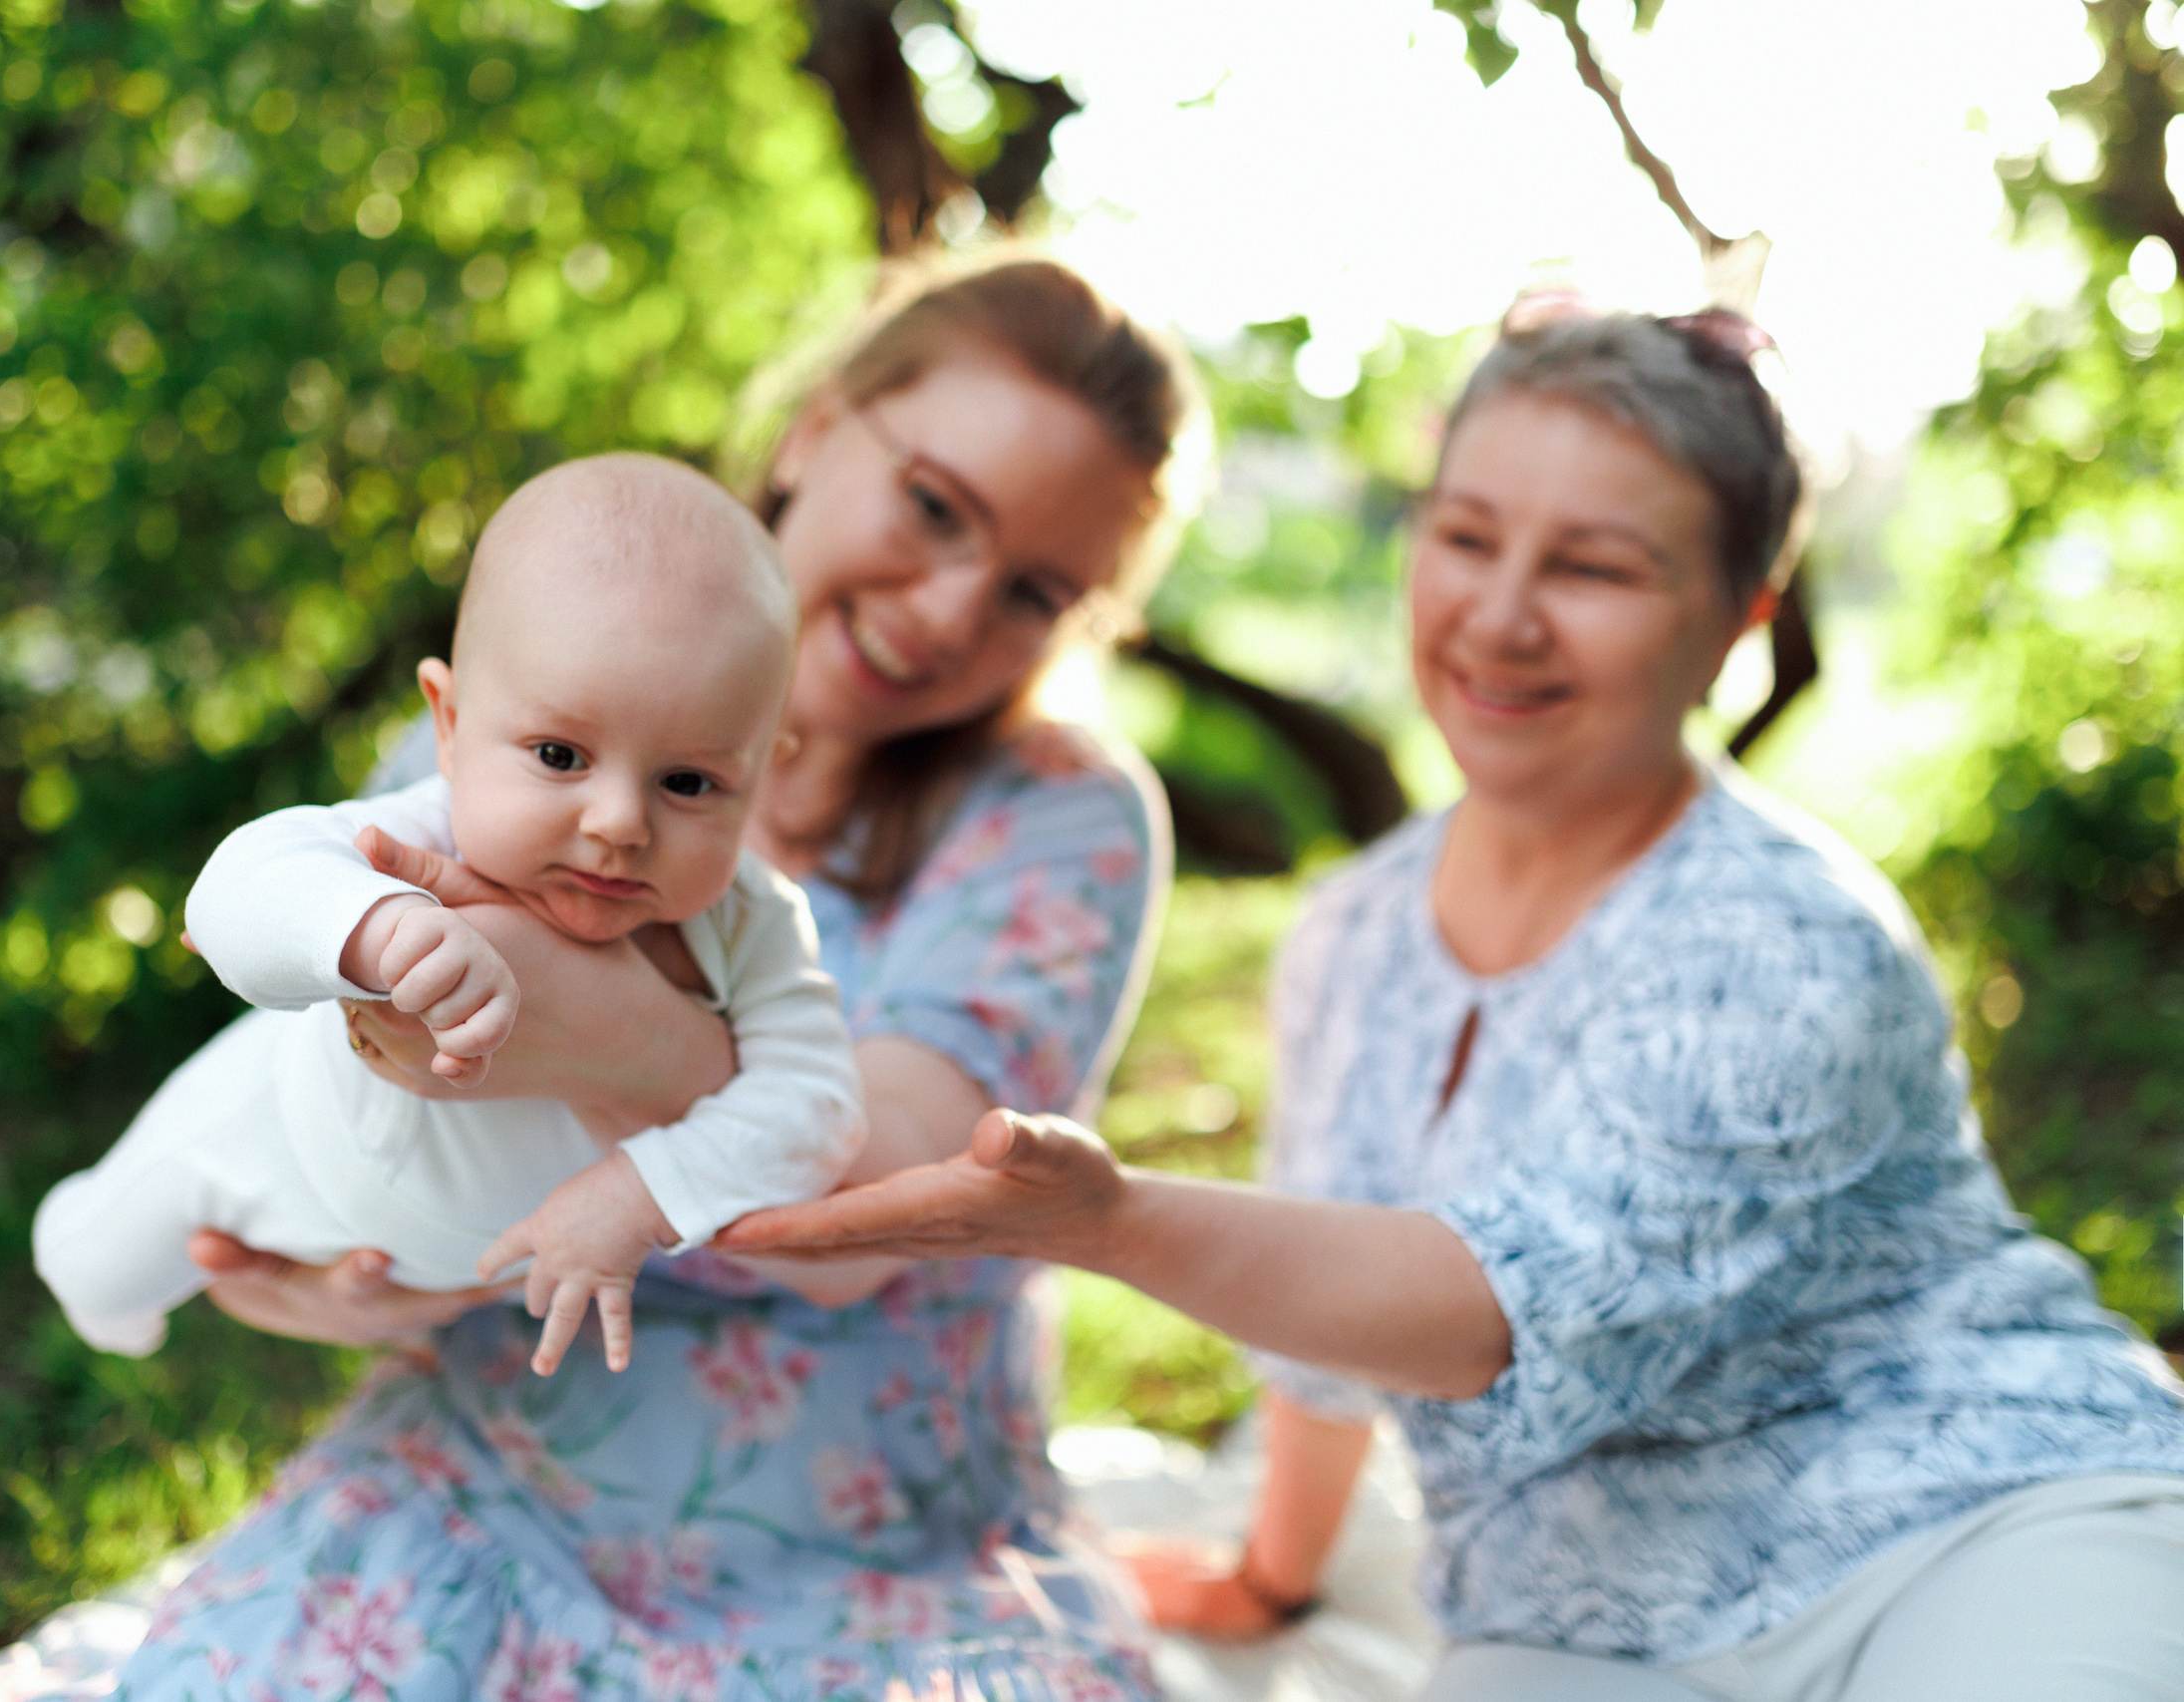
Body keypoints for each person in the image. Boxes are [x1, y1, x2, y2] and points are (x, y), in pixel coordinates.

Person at [724, 309, 2184, 1701]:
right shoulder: (1352, 928)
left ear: (1740, 616)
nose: (1499, 616)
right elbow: (1332, 1313)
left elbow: (1497, 1307)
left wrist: (1103, 1222)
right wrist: (1266, 1576)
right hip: (1582, 1618)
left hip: (1962, 1525)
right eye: (1468, 535)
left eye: (1594, 568)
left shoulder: (1790, 934)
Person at [0, 255, 1203, 1702]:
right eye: (934, 506)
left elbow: (897, 1197)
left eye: (1039, 590)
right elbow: (306, 985)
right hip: (506, 1433)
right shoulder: (536, 670)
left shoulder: (1055, 813)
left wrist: (611, 1036)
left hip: (865, 1494)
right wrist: (365, 1278)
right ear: (817, 429)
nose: (952, 604)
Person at [31, 455, 864, 1376]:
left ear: (761, 770)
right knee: (102, 1260)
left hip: (456, 1260)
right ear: (451, 723)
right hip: (280, 1138)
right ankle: (87, 1273)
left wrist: (644, 1193)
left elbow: (818, 1110)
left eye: (690, 781)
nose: (622, 822)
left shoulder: (755, 928)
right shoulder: (423, 833)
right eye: (559, 754)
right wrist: (382, 929)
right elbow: (237, 889)